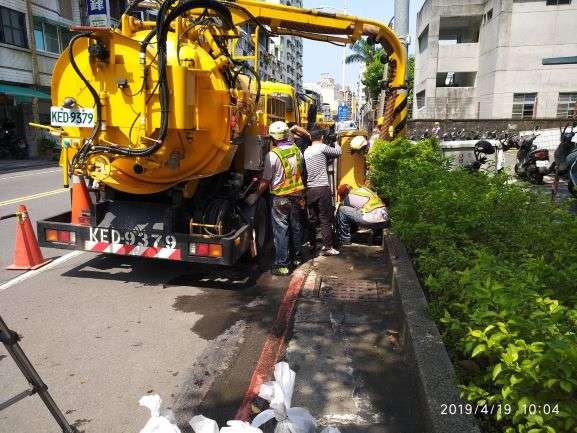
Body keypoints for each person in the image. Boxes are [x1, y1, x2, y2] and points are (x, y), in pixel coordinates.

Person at [246, 121, 305, 276]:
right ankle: (297, 258)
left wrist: (255, 195)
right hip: (297, 196)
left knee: (281, 231)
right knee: (296, 228)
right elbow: (301, 173)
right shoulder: (297, 151)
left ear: (273, 138)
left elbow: (266, 180)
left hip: (280, 199)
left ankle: (282, 265)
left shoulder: (272, 155)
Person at [303, 127, 342, 256]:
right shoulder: (321, 147)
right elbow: (338, 152)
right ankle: (328, 246)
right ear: (321, 138)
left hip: (310, 190)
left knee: (312, 219)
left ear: (310, 138)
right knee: (325, 218)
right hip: (322, 188)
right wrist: (336, 141)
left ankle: (312, 243)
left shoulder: (306, 151)